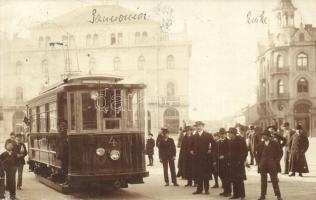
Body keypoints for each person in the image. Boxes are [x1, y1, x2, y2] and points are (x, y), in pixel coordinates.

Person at [256, 130, 283, 200]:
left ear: (268, 136)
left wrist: (276, 162)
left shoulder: (275, 144)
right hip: (263, 165)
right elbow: (257, 155)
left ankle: (278, 196)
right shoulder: (260, 145)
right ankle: (262, 195)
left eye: (265, 135)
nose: (263, 136)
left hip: (272, 165)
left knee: (274, 180)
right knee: (263, 180)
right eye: (263, 135)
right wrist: (259, 163)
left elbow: (280, 154)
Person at [191, 121, 215, 195]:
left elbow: (214, 145)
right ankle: (199, 190)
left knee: (206, 174)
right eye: (197, 126)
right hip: (197, 158)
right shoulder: (194, 136)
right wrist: (191, 150)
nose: (198, 127)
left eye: (200, 126)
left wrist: (210, 150)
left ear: (203, 126)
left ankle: (207, 190)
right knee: (198, 174)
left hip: (206, 158)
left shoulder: (208, 135)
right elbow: (190, 146)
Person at [227, 127, 248, 200]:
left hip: (239, 163)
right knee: (233, 179)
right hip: (232, 163)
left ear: (233, 134)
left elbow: (245, 151)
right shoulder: (230, 141)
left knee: (239, 180)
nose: (228, 135)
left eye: (229, 133)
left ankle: (242, 195)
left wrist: (241, 161)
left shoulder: (240, 140)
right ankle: (236, 194)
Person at [215, 128, 231, 197]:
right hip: (219, 162)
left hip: (226, 162)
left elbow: (230, 152)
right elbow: (215, 152)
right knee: (221, 176)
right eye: (221, 134)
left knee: (227, 177)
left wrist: (224, 156)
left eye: (223, 134)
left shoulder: (229, 141)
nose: (222, 135)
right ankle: (225, 190)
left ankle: (228, 191)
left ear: (225, 134)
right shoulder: (217, 142)